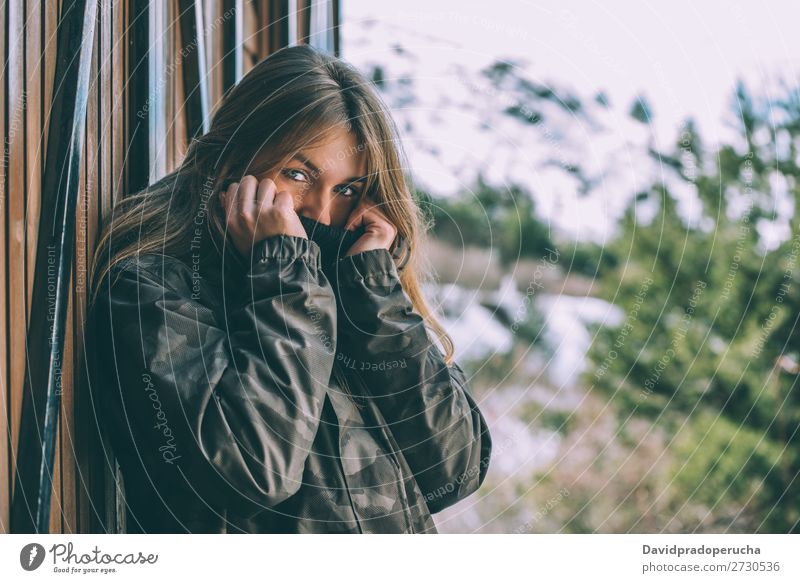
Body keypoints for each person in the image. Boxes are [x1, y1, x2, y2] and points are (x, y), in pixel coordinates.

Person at [87, 43, 492, 533]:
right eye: (298, 175)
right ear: (233, 161)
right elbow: (254, 470)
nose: (321, 213)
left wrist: (376, 295)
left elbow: (455, 471)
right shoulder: (152, 289)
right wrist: (285, 275)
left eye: (347, 190)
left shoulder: (349, 286)